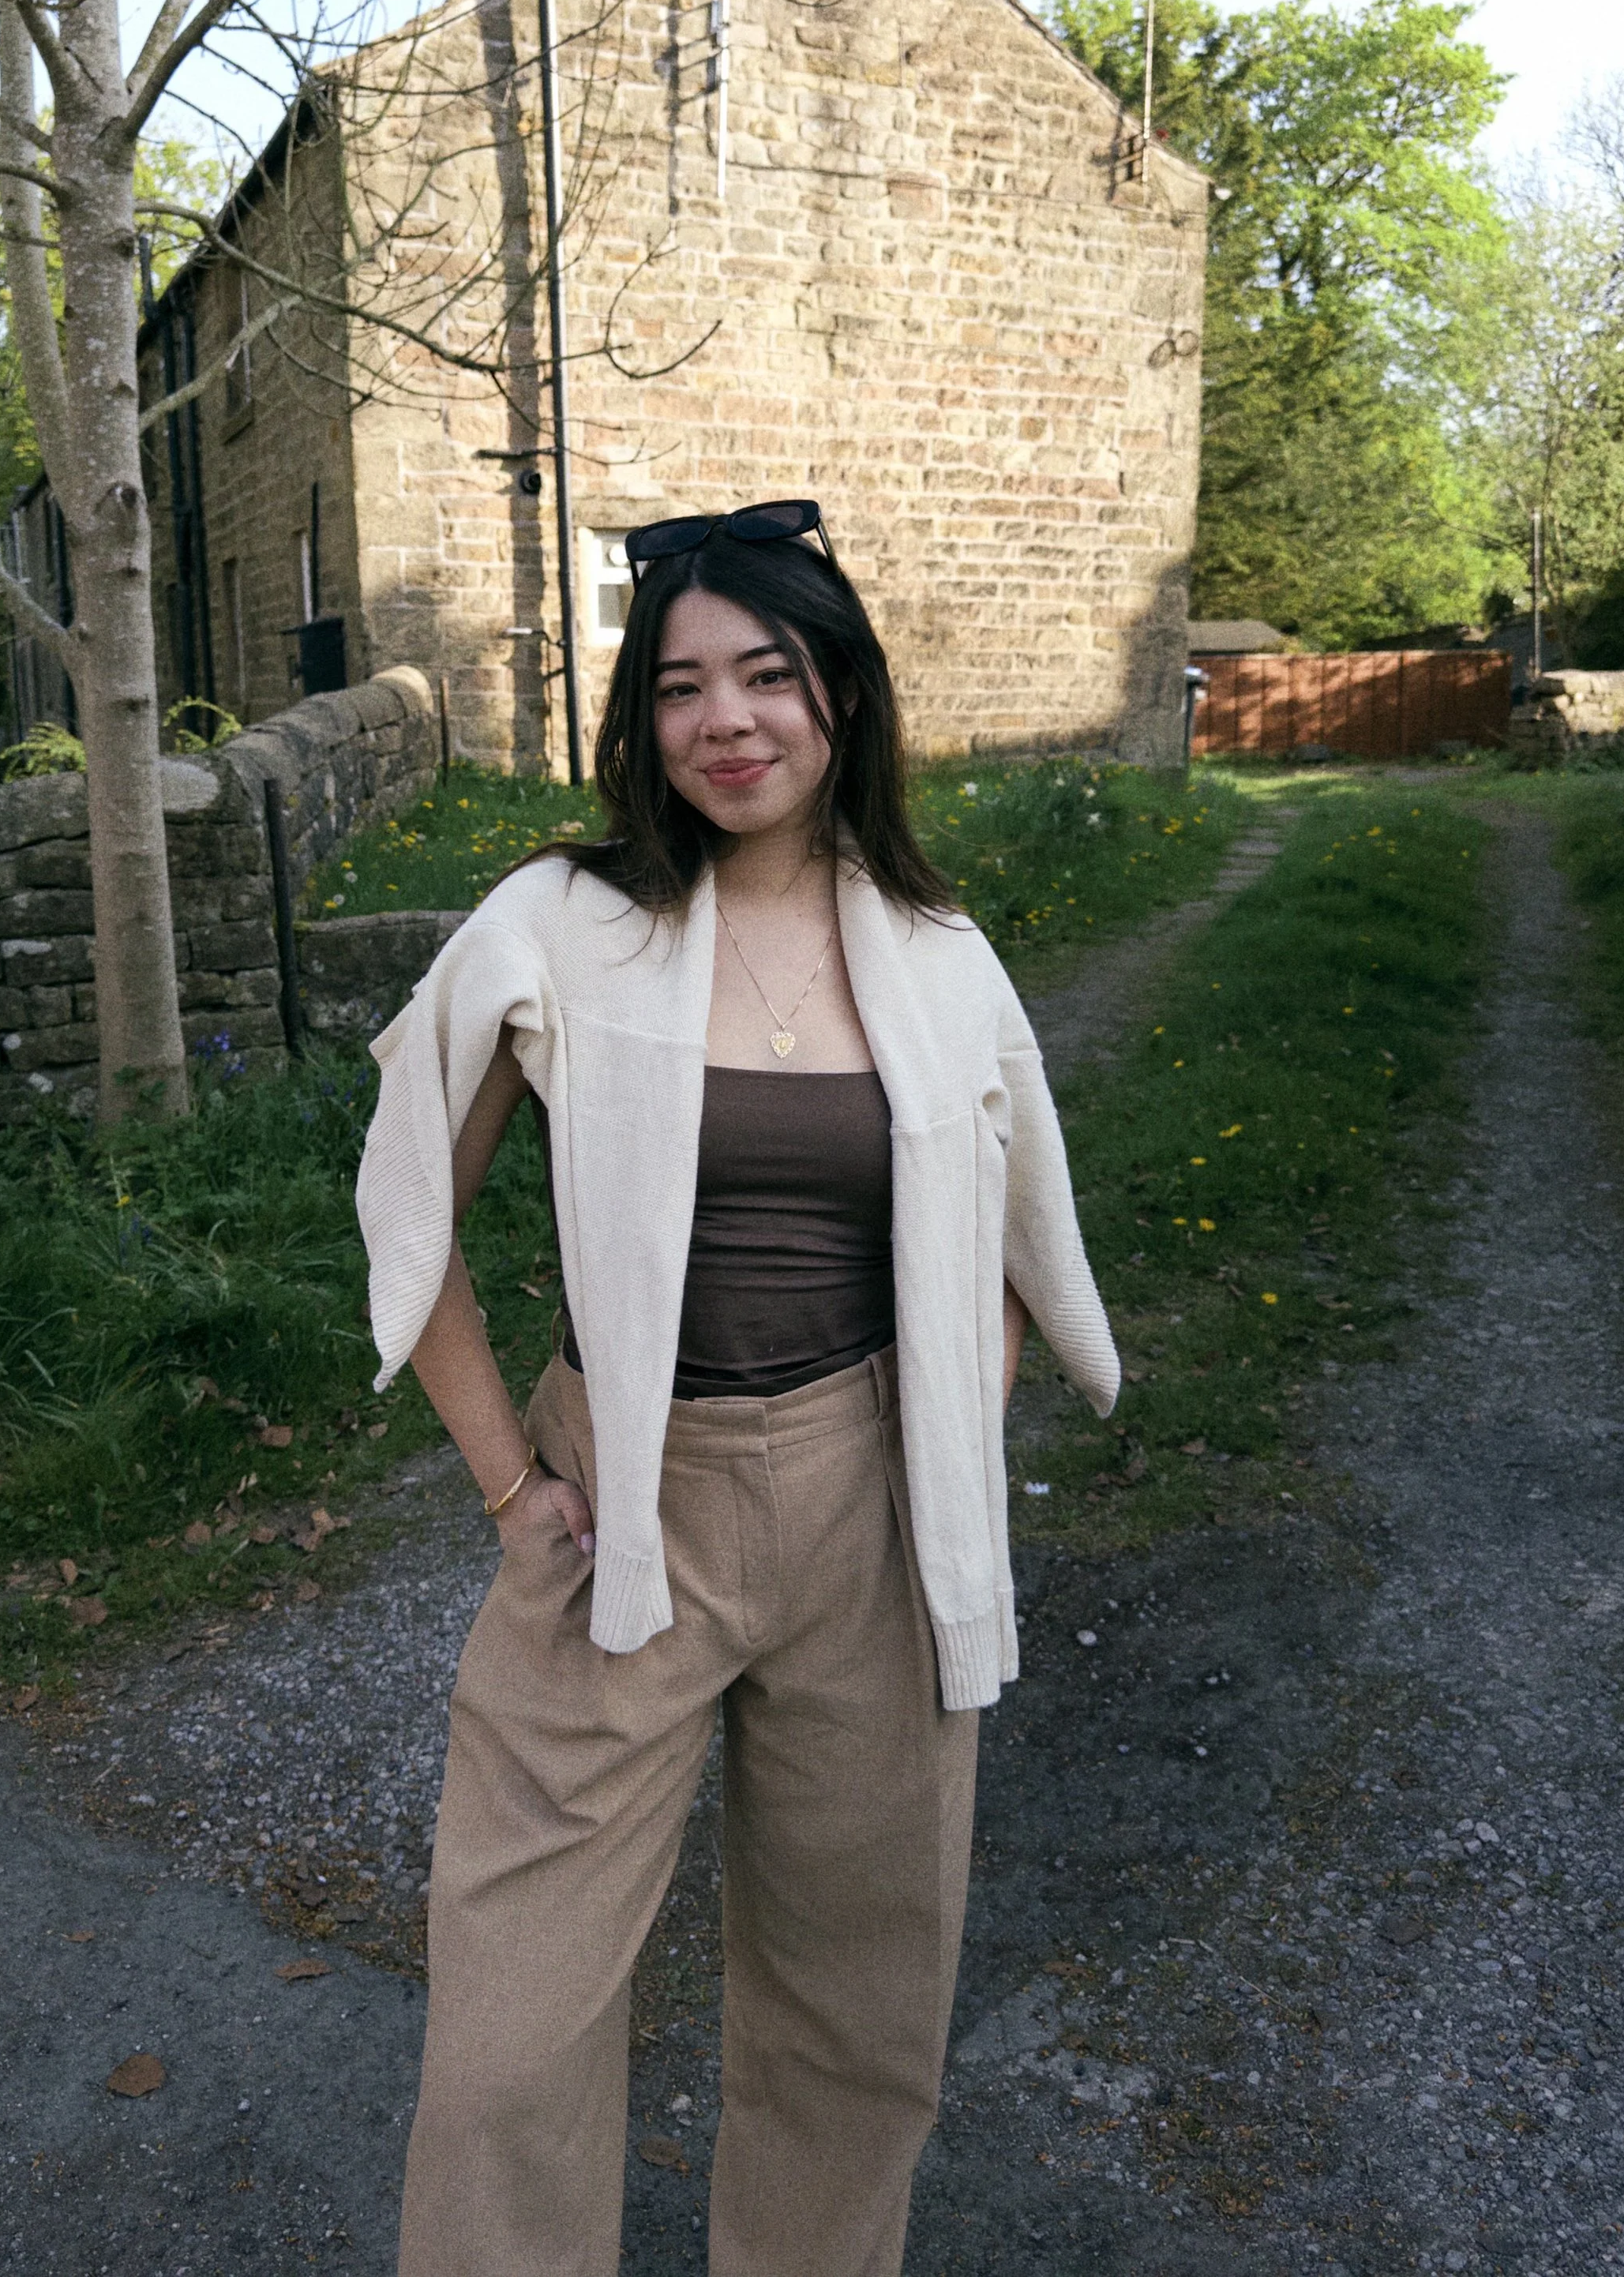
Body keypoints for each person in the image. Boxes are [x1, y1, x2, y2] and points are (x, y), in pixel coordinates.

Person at [355, 498, 1120, 2277]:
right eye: (682, 685)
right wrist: (507, 1483)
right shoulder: (555, 924)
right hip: (623, 1498)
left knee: (857, 2020)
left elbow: (1012, 1233)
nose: (727, 721)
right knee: (504, 2044)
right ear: (642, 722)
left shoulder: (935, 952)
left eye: (766, 675)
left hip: (872, 1514)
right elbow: (409, 1206)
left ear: (837, 694)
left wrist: (945, 1441)